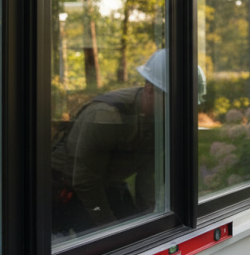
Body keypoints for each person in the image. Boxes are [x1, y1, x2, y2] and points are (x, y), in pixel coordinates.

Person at [51, 50, 206, 236]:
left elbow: (147, 175)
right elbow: (85, 181)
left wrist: (150, 215)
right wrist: (110, 228)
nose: (180, 110)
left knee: (142, 236)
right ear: (149, 89)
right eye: (175, 101)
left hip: (107, 182)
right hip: (66, 188)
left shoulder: (163, 120)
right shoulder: (106, 117)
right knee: (104, 248)